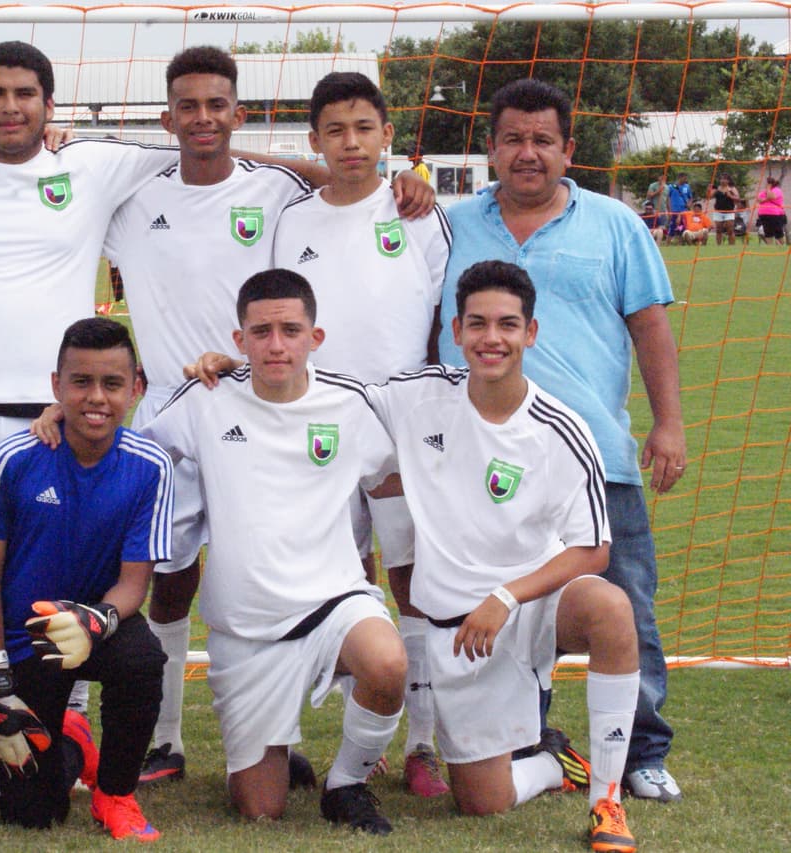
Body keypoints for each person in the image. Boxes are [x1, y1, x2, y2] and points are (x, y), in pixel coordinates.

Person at [28, 47, 434, 788]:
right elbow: (59, 229)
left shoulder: (275, 190)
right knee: (167, 578)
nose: (203, 118)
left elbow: (336, 180)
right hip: (176, 414)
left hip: (270, 407)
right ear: (167, 118)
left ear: (239, 114)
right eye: (188, 106)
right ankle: (165, 740)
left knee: (327, 568)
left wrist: (402, 179)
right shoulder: (134, 200)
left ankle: (331, 737)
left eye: (217, 106)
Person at [438, 78, 687, 803]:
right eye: (513, 139)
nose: (528, 153)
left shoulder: (615, 224)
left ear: (568, 149)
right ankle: (527, 740)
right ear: (491, 148)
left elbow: (650, 326)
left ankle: (641, 751)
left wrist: (668, 422)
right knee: (507, 604)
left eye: (543, 139)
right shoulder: (448, 225)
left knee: (626, 602)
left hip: (594, 457)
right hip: (480, 463)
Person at [367, 260, 639, 853]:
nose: (492, 338)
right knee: (481, 800)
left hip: (534, 603)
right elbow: (324, 394)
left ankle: (607, 799)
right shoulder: (417, 397)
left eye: (508, 325)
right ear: (457, 330)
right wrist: (232, 370)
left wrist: (507, 595)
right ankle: (554, 762)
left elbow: (594, 547)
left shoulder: (560, 427)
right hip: (461, 628)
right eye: (479, 324)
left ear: (530, 332)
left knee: (612, 609)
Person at [143, 269, 407, 833]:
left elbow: (394, 476)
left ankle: (347, 785)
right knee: (261, 808)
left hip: (334, 605)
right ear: (239, 340)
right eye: (261, 332)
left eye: (291, 330)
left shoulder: (350, 403)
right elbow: (132, 453)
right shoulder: (207, 399)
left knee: (387, 662)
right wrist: (62, 416)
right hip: (246, 629)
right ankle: (274, 754)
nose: (276, 345)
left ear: (316, 337)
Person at [268, 70, 452, 798]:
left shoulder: (417, 212)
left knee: (414, 580)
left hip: (403, 428)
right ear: (315, 140)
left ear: (387, 135)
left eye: (364, 128)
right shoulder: (292, 219)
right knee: (339, 579)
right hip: (319, 429)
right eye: (335, 131)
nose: (351, 142)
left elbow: (440, 319)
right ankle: (361, 742)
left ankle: (424, 744)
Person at [0, 318, 171, 840]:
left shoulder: (149, 466)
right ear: (56, 386)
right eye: (81, 382)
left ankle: (116, 794)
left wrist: (95, 619)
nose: (96, 397)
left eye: (112, 383)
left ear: (136, 388)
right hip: (26, 641)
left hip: (98, 622)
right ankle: (72, 741)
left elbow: (134, 584)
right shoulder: (12, 460)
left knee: (143, 659)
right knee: (30, 815)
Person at [708, 173, 740, 245]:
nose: (723, 180)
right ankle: (719, 246)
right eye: (721, 179)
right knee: (718, 230)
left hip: (729, 211)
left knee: (730, 230)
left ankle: (731, 246)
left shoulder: (732, 188)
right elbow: (709, 197)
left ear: (728, 181)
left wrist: (730, 196)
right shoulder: (716, 189)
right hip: (718, 211)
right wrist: (709, 190)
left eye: (725, 179)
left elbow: (738, 198)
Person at [756, 176, 785, 245]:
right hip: (763, 214)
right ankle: (770, 247)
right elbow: (759, 199)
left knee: (778, 231)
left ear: (770, 184)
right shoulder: (763, 192)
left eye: (766, 183)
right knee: (767, 232)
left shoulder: (777, 190)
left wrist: (768, 189)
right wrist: (767, 198)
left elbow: (772, 196)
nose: (765, 184)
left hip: (775, 214)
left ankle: (781, 246)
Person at [665, 172, 692, 243]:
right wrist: (669, 211)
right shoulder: (671, 186)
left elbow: (690, 198)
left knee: (681, 228)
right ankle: (667, 244)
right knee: (672, 228)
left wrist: (689, 204)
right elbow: (668, 199)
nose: (685, 180)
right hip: (674, 211)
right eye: (684, 178)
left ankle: (679, 244)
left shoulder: (687, 187)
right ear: (680, 178)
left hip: (683, 211)